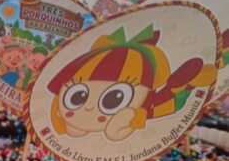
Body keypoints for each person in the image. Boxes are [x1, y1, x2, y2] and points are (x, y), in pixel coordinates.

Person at [47, 24, 217, 142]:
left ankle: (183, 84)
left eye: (113, 98)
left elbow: (118, 130)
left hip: (162, 104)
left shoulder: (137, 110)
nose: (89, 107)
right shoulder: (62, 114)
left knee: (168, 101)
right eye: (77, 96)